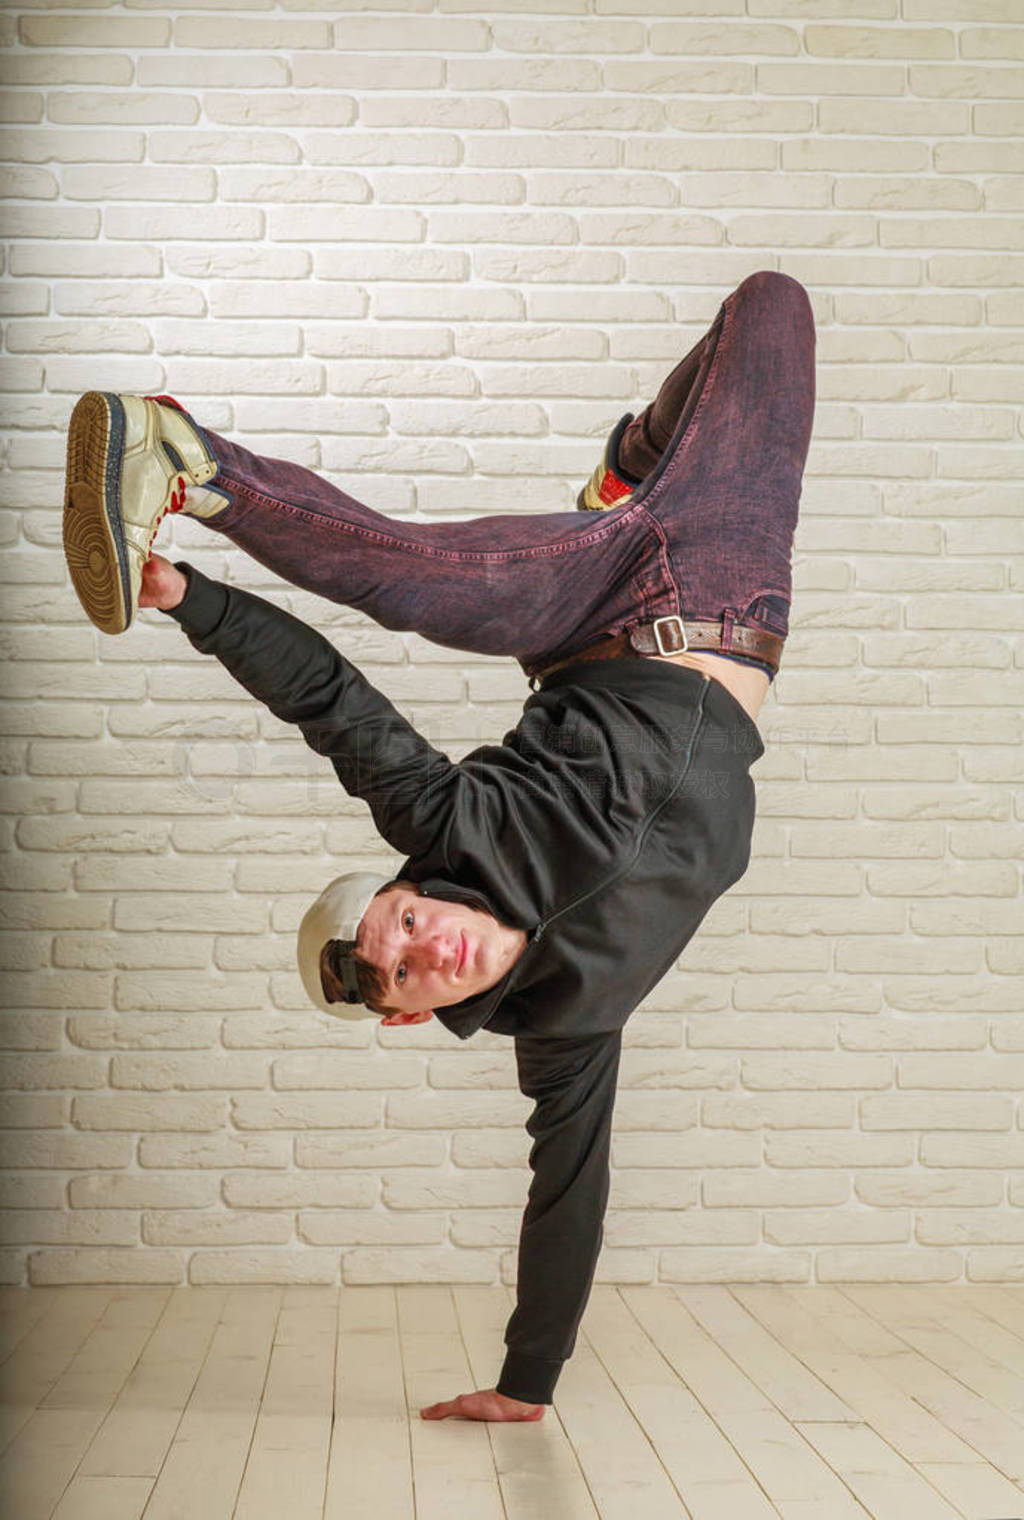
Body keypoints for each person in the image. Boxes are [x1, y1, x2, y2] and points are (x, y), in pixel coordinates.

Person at [62, 270, 815, 1423]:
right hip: (722, 585)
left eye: (403, 923)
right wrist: (528, 1383)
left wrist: (188, 600)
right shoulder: (568, 1025)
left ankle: (187, 461)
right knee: (772, 306)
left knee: (416, 577)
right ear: (414, 1011)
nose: (426, 948)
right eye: (405, 972)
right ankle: (633, 469)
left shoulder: (448, 827)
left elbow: (328, 698)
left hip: (577, 615)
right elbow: (567, 1194)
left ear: (415, 889)